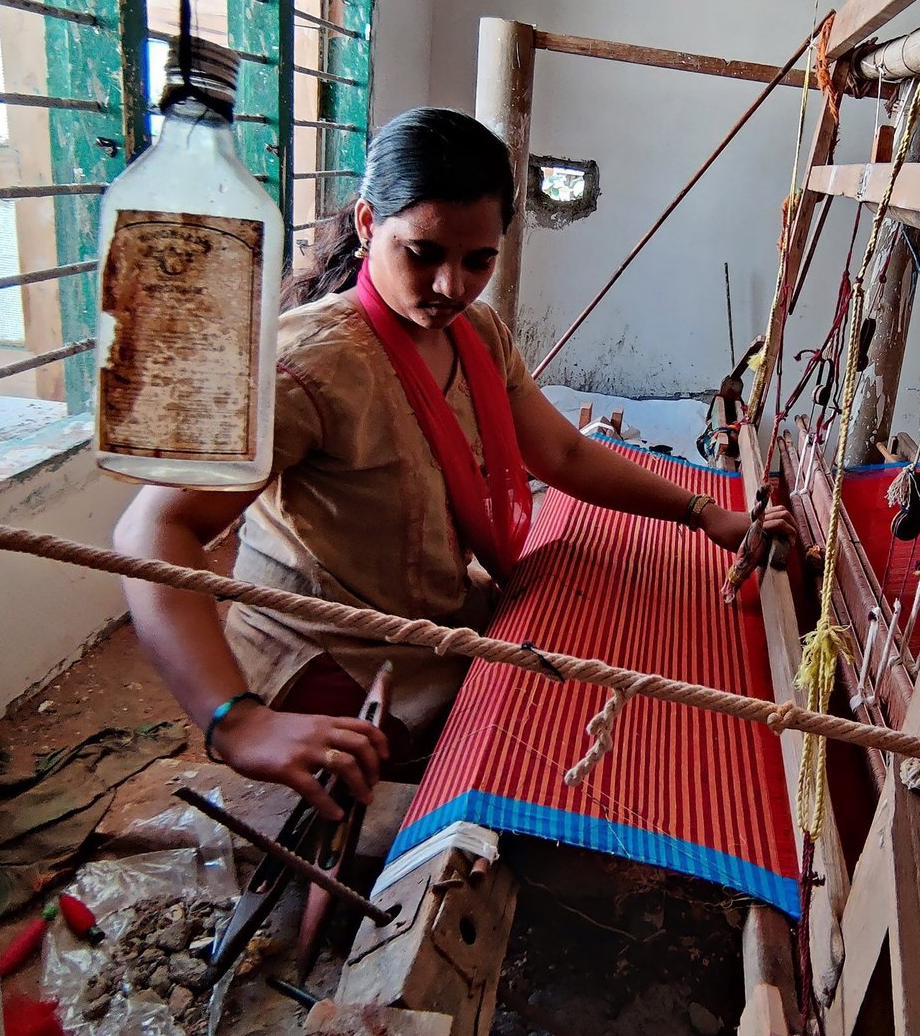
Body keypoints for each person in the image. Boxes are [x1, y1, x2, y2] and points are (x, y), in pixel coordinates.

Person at [115, 107, 791, 821]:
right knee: (567, 746)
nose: (450, 287)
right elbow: (154, 531)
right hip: (332, 655)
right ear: (371, 223)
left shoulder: (478, 334)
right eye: (423, 253)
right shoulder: (306, 366)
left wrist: (705, 513)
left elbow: (559, 452)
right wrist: (238, 720)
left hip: (433, 619)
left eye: (478, 260)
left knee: (598, 654)